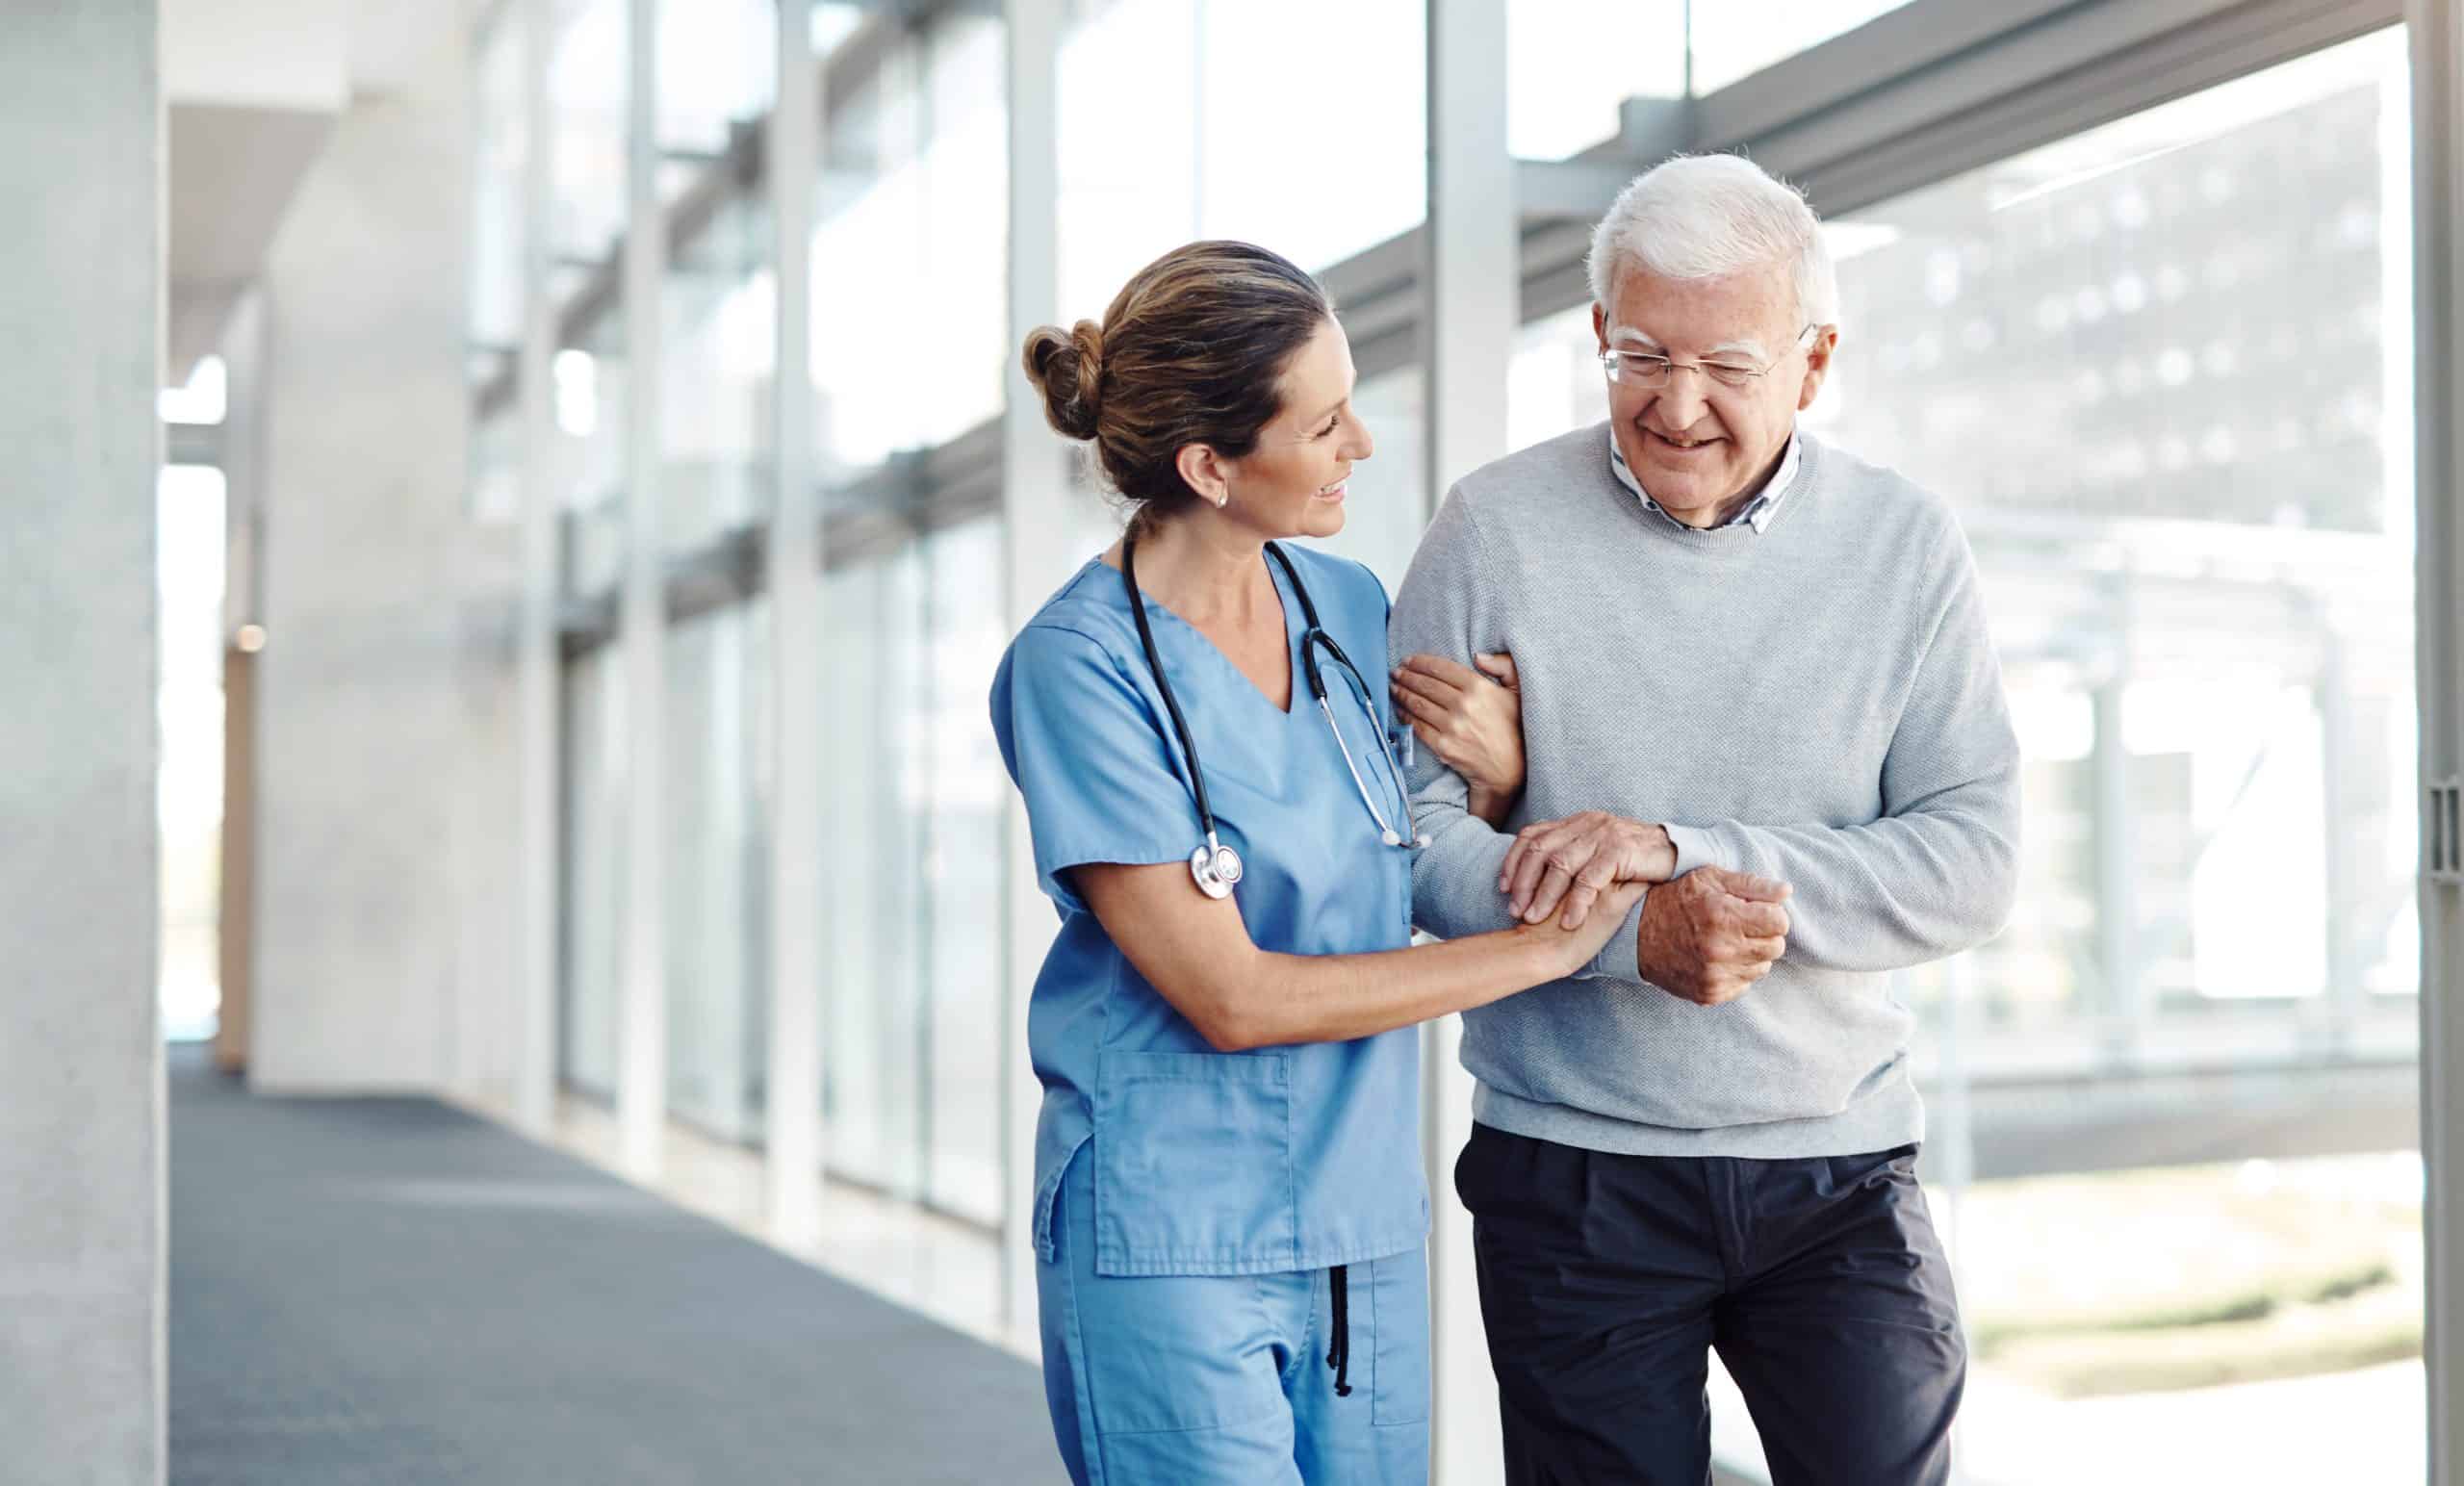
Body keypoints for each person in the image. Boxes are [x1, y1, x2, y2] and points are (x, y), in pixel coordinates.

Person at [1389, 153, 2023, 1485]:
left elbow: (1973, 862)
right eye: (1637, 358)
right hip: (1572, 1172)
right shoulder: (1491, 530)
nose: (1675, 409)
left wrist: (1680, 848)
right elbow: (1406, 846)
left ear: (1814, 359)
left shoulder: (1905, 546)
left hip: (1838, 1174)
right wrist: (1631, 937)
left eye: (1727, 367)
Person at [988, 240, 1656, 1486]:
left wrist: (1503, 776)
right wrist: (1537, 953)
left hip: (1362, 1227)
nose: (1361, 446)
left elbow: (1412, 837)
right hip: (1168, 1235)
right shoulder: (1079, 670)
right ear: (1210, 466)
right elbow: (1232, 997)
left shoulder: (1346, 609)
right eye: (1327, 421)